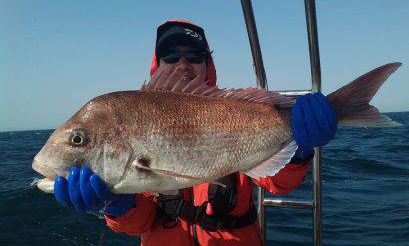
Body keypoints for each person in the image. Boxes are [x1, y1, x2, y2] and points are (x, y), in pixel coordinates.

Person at [53, 19, 337, 246]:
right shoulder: (135, 118)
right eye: (171, 55)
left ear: (207, 65)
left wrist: (299, 151)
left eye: (195, 56)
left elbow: (277, 184)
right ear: (158, 65)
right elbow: (138, 224)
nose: (183, 64)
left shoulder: (231, 109)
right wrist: (115, 205)